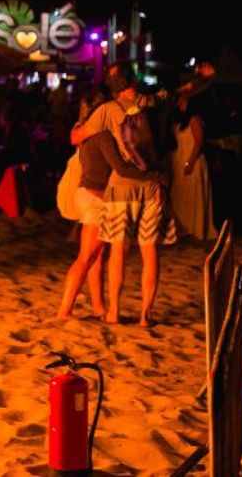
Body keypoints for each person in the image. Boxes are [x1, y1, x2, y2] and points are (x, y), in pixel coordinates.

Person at [56, 91, 152, 320]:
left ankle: (99, 307)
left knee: (95, 256)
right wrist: (151, 174)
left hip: (86, 194)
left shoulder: (83, 132)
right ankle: (65, 310)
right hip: (95, 199)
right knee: (86, 257)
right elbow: (120, 168)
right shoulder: (102, 135)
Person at [170, 95, 215, 241]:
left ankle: (194, 229)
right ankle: (183, 229)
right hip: (181, 160)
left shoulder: (194, 119)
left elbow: (198, 142)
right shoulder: (179, 122)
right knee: (180, 196)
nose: (180, 103)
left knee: (192, 195)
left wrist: (190, 163)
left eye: (183, 101)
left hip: (193, 161)